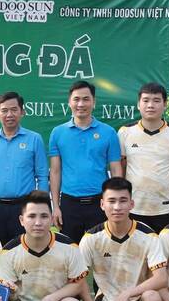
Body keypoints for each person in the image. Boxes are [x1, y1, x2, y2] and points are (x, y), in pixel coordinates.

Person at [79, 177, 167, 301]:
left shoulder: (148, 236)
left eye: (123, 200)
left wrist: (127, 294)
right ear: (102, 204)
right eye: (111, 201)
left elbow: (161, 278)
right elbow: (78, 279)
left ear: (131, 204)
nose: (117, 207)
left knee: (153, 298)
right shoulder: (91, 238)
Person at [49, 80, 122, 244]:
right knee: (70, 250)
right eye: (76, 99)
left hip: (99, 203)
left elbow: (116, 169)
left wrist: (115, 202)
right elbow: (55, 171)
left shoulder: (108, 132)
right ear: (69, 102)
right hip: (69, 204)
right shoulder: (57, 133)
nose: (81, 104)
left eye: (86, 99)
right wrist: (56, 206)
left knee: (101, 251)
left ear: (94, 102)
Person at [0, 91, 49, 245]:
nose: (9, 114)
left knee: (22, 249)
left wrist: (41, 205)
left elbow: (42, 175)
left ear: (22, 112)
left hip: (24, 207)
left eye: (14, 109)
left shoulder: (34, 139)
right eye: (4, 110)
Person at [118, 82, 169, 233]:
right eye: (146, 100)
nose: (150, 105)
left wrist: (162, 185)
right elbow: (121, 166)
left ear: (165, 104)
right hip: (133, 205)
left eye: (156, 100)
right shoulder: (125, 132)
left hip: (163, 206)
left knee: (163, 246)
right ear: (138, 104)